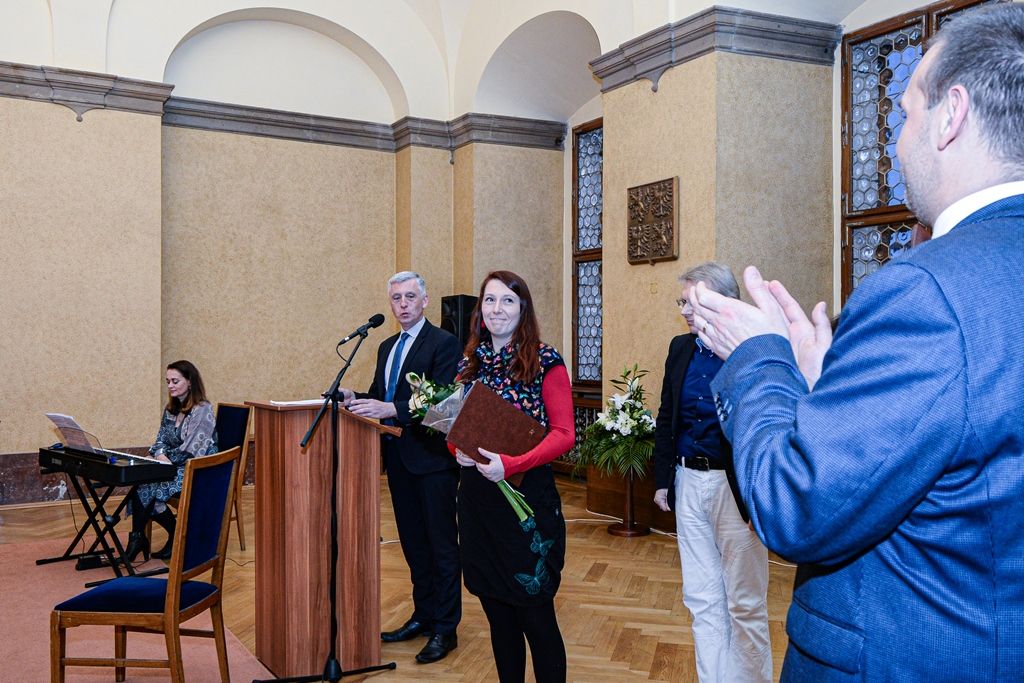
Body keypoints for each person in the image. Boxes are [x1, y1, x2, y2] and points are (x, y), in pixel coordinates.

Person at [687, 5, 1024, 680]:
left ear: (952, 115)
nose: (898, 141)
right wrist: (824, 389)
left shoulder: (925, 291)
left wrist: (762, 358)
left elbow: (797, 506)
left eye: (907, 113)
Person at [652, 262, 771, 683]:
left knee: (745, 603)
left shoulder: (752, 350)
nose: (685, 310)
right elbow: (667, 415)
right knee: (701, 598)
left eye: (693, 301)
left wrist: (761, 494)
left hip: (735, 489)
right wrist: (663, 480)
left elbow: (768, 424)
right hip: (688, 482)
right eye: (682, 301)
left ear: (722, 301)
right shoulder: (679, 349)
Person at [453, 270, 574, 683]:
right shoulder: (468, 364)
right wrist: (458, 452)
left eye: (507, 300)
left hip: (527, 503)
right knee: (497, 612)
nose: (497, 309)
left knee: (535, 615)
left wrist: (512, 464)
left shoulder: (545, 360)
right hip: (478, 503)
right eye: (489, 300)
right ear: (480, 309)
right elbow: (455, 428)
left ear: (523, 309)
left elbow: (564, 434)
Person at [340, 271, 463, 664]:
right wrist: (354, 396)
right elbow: (382, 397)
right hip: (397, 459)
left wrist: (389, 407)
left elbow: (443, 402)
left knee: (441, 546)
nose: (404, 304)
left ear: (425, 300)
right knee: (413, 543)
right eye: (397, 298)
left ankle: (446, 628)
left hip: (433, 461)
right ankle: (424, 615)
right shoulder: (386, 346)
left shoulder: (444, 343)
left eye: (411, 296)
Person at [125, 360, 218, 562]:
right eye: (168, 381)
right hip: (173, 466)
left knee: (150, 487)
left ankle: (161, 537)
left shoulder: (203, 409)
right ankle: (139, 538)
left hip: (198, 470)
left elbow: (192, 450)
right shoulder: (171, 409)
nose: (170, 386)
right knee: (142, 483)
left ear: (190, 382)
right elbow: (160, 440)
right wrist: (160, 455)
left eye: (175, 381)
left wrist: (163, 458)